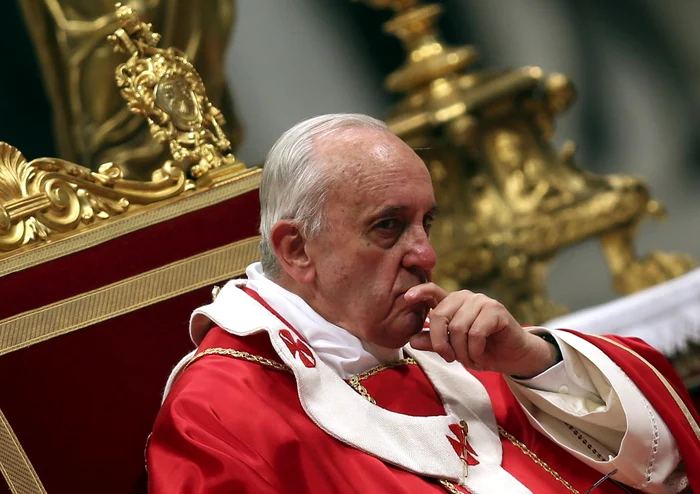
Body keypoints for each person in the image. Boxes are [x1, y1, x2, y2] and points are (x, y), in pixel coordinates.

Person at [147, 114, 700, 493]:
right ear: (297, 249)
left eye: (425, 223)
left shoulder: (448, 349)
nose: (426, 255)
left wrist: (536, 361)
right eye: (388, 227)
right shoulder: (222, 411)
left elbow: (660, 467)